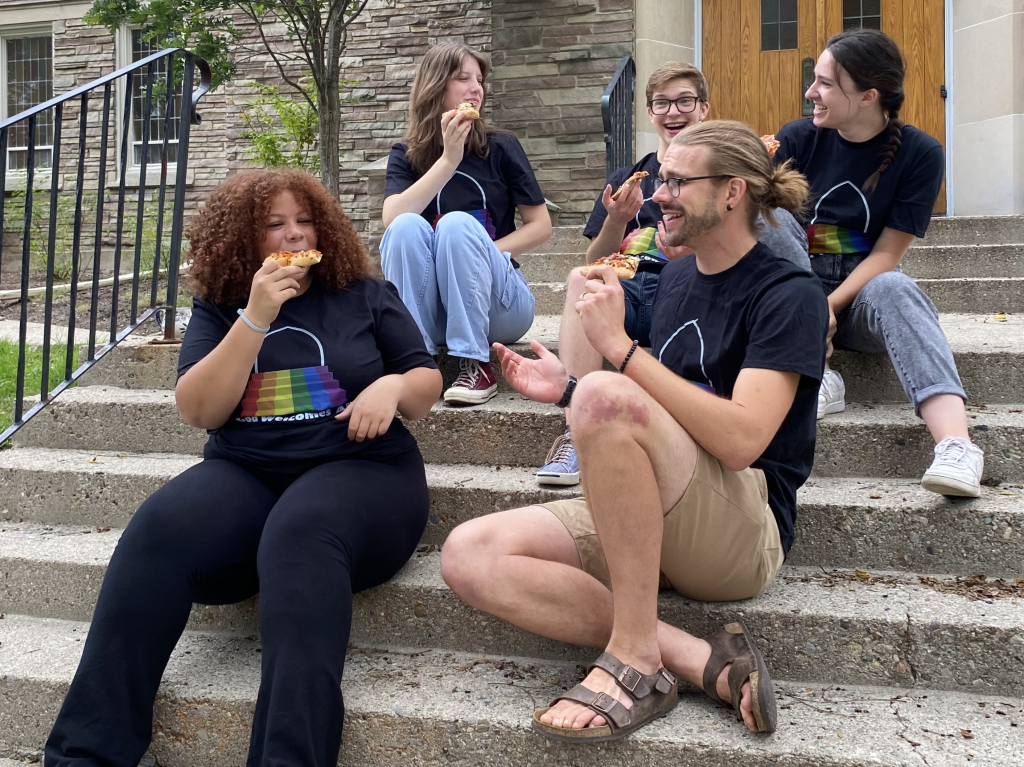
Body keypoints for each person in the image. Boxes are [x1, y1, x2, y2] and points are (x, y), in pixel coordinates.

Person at [440, 121, 829, 742]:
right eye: (663, 179)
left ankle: (633, 659)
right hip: (660, 508)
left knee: (605, 389)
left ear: (732, 192)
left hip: (742, 527)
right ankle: (693, 656)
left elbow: (741, 441)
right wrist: (568, 388)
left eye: (678, 181)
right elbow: (625, 396)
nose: (659, 194)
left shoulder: (789, 294)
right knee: (469, 555)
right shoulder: (673, 280)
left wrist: (617, 357)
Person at [44, 170, 443, 766]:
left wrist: (391, 385)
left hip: (365, 471)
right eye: (274, 225)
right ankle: (84, 755)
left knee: (301, 531)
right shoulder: (222, 306)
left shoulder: (361, 292)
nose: (292, 236)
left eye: (304, 221)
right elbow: (200, 409)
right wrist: (254, 317)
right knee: (159, 527)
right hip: (248, 472)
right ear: (243, 239)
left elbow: (427, 379)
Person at [537, 62, 810, 486]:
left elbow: (738, 439)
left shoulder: (778, 285)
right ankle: (575, 431)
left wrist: (621, 350)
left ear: (704, 108)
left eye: (684, 100)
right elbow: (595, 258)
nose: (672, 111)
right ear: (648, 112)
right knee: (581, 279)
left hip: (742, 491)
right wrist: (616, 221)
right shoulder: (629, 181)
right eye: (661, 103)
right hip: (639, 287)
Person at [776, 28, 985, 497]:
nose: (812, 92)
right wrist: (807, 307)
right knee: (770, 218)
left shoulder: (920, 153)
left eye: (826, 83)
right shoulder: (797, 139)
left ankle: (957, 446)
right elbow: (774, 242)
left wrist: (826, 308)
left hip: (859, 297)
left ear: (868, 96)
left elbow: (887, 255)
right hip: (793, 296)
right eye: (816, 80)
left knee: (896, 288)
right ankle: (818, 371)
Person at [380, 42, 551, 406]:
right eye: (463, 79)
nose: (477, 88)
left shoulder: (500, 146)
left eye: (480, 79)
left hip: (500, 306)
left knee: (456, 225)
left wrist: (481, 251)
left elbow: (541, 226)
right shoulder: (406, 153)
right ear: (435, 86)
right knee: (407, 227)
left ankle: (475, 363)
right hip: (436, 311)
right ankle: (416, 364)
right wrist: (448, 159)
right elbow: (391, 220)